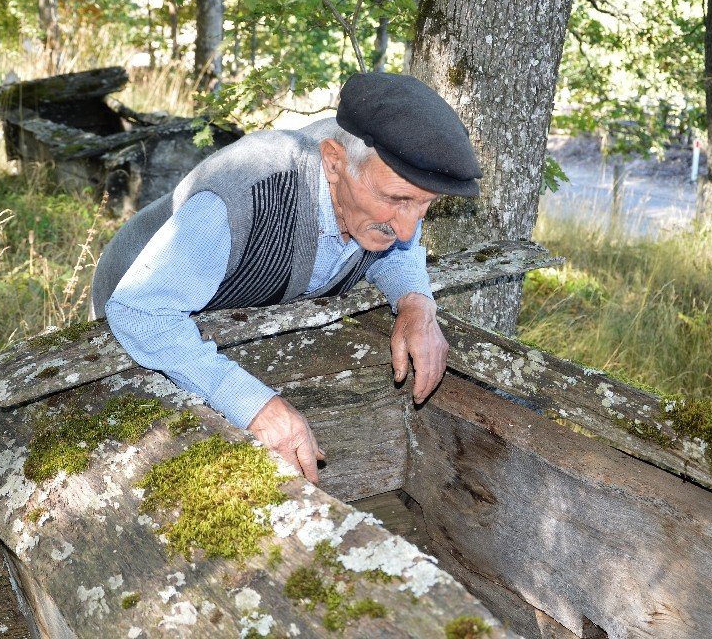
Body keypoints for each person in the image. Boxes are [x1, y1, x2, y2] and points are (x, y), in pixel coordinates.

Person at [91, 72, 481, 484]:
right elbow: (140, 312)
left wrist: (417, 302)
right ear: (333, 161)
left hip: (217, 315)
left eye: (424, 207)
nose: (406, 228)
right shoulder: (247, 193)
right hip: (135, 306)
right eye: (397, 201)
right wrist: (254, 405)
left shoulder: (385, 192)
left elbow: (396, 252)